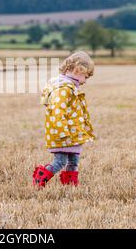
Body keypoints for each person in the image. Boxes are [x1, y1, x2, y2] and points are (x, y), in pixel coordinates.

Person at [33, 51, 96, 188]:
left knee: (74, 161)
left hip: (71, 134)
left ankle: (71, 186)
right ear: (78, 69)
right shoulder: (63, 89)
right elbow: (57, 111)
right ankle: (40, 179)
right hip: (63, 134)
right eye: (85, 76)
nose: (85, 81)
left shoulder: (69, 87)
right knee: (60, 161)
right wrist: (62, 132)